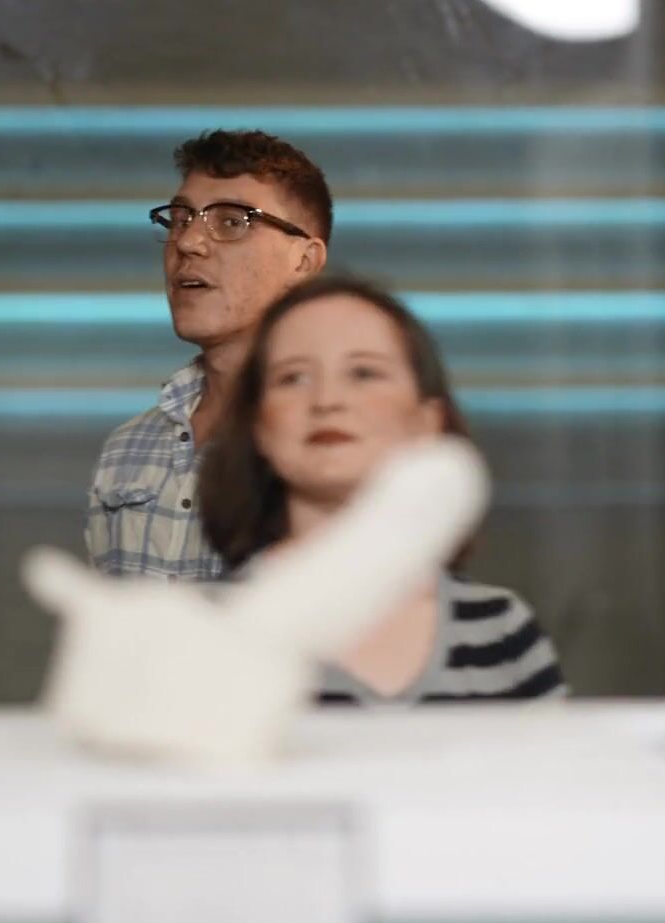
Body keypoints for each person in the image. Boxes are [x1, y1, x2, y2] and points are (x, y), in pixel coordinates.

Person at [199, 276, 567, 705]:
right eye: (293, 378)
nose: (327, 400)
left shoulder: (502, 630)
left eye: (364, 373)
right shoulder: (203, 630)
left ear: (427, 421)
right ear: (259, 427)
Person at [85, 130, 332, 580]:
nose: (188, 242)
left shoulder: (340, 439)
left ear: (304, 261)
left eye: (232, 222)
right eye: (180, 219)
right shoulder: (127, 448)